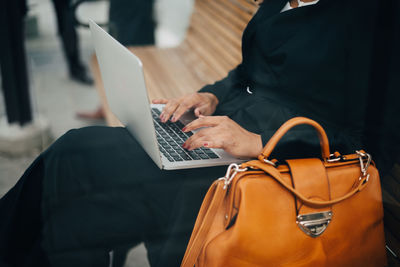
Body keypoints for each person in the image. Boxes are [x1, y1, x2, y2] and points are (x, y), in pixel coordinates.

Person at [0, 0, 390, 266]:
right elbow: (246, 74)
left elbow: (378, 139)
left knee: (85, 176)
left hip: (278, 165)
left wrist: (261, 144)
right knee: (76, 154)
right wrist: (210, 96)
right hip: (222, 133)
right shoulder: (280, 2)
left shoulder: (374, 15)